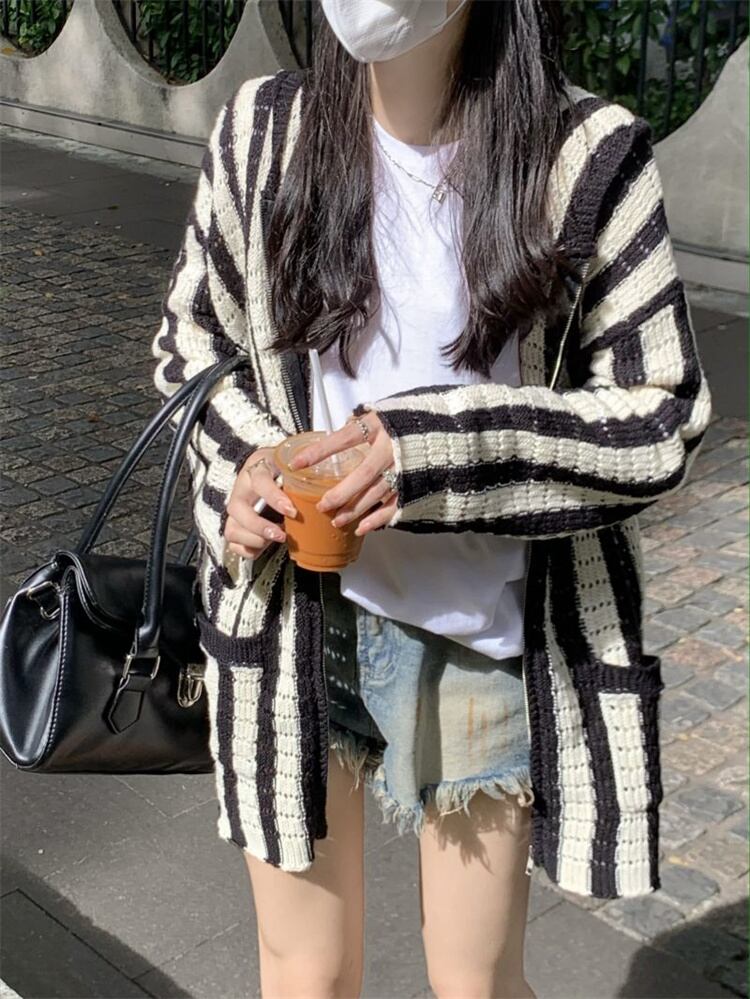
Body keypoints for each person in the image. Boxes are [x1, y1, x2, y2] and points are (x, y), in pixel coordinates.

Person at [151, 2, 712, 997]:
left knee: (475, 985)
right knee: (303, 973)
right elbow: (195, 344)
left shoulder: (588, 157)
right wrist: (243, 466)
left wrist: (429, 454)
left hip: (479, 636)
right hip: (293, 614)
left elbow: (659, 418)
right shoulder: (262, 133)